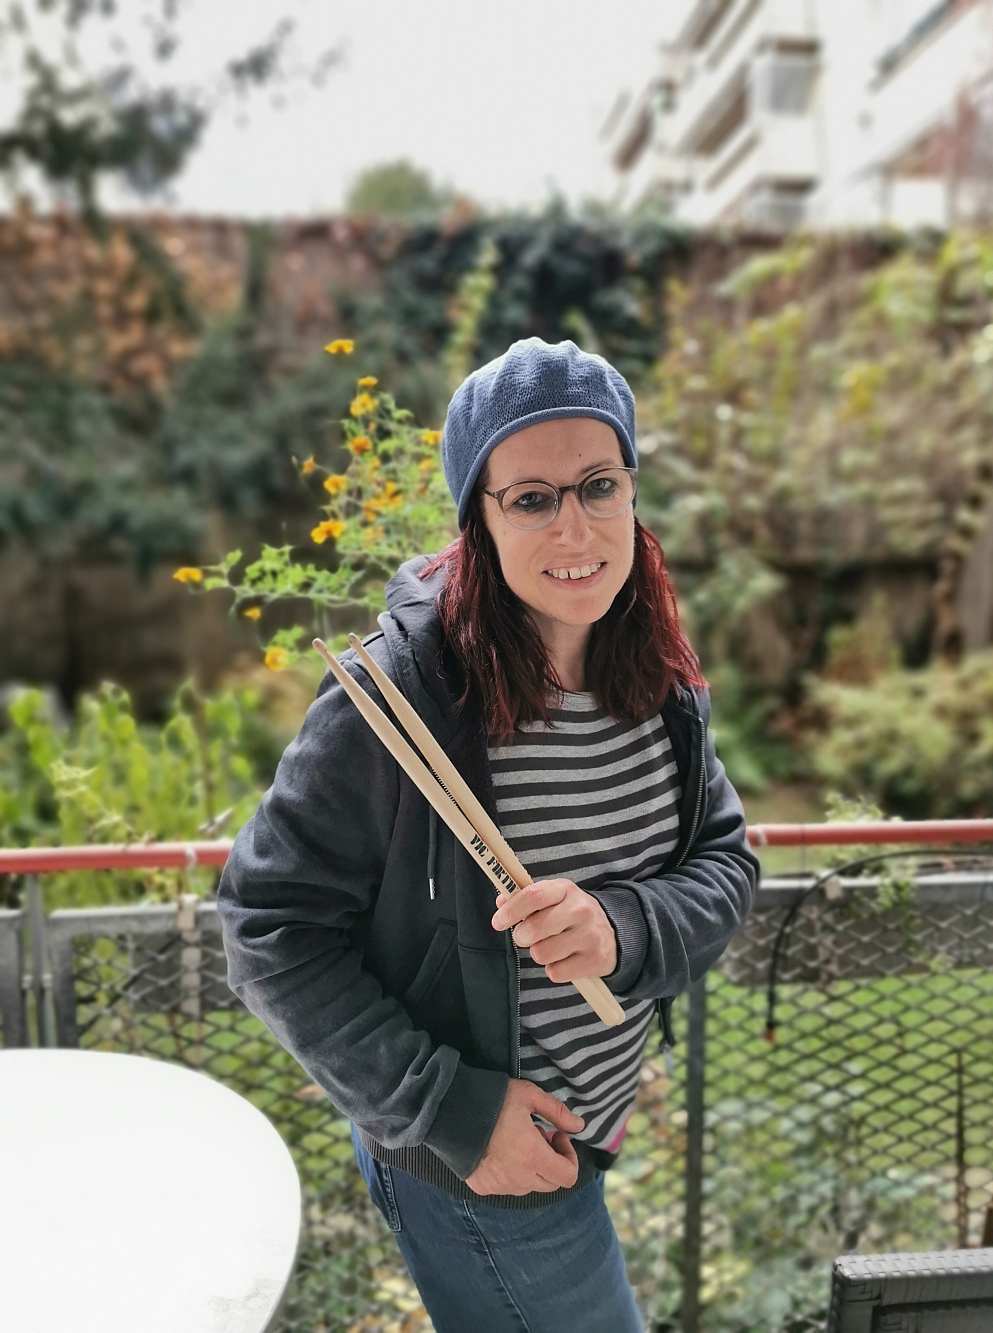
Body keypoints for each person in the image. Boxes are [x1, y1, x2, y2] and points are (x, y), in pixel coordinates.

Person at [217, 338, 759, 1332]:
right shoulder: (401, 699)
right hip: (476, 1166)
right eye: (531, 498)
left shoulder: (658, 678)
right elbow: (266, 924)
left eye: (599, 484)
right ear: (480, 519)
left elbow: (725, 862)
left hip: (585, 1131)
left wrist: (623, 928)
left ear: (633, 490)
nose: (575, 526)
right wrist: (453, 1114)